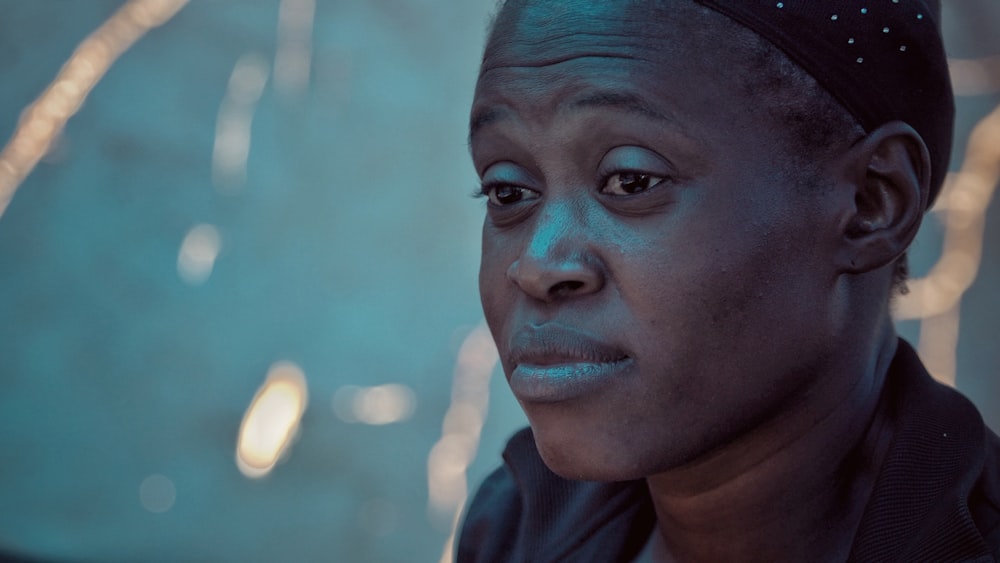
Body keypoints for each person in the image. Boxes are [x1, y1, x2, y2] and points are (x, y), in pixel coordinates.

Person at [457, 0, 1000, 561]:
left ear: (871, 202)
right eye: (508, 192)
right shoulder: (519, 525)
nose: (537, 265)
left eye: (631, 180)